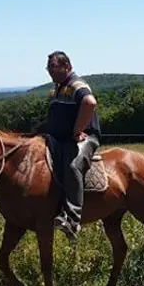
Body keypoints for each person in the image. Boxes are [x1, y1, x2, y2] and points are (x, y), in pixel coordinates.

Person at [35, 50, 102, 241]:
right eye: (49, 69)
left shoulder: (76, 84)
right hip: (59, 138)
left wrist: (77, 130)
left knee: (73, 165)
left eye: (54, 69)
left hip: (84, 137)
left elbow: (90, 102)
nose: (50, 73)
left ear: (67, 66)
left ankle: (73, 220)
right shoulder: (58, 87)